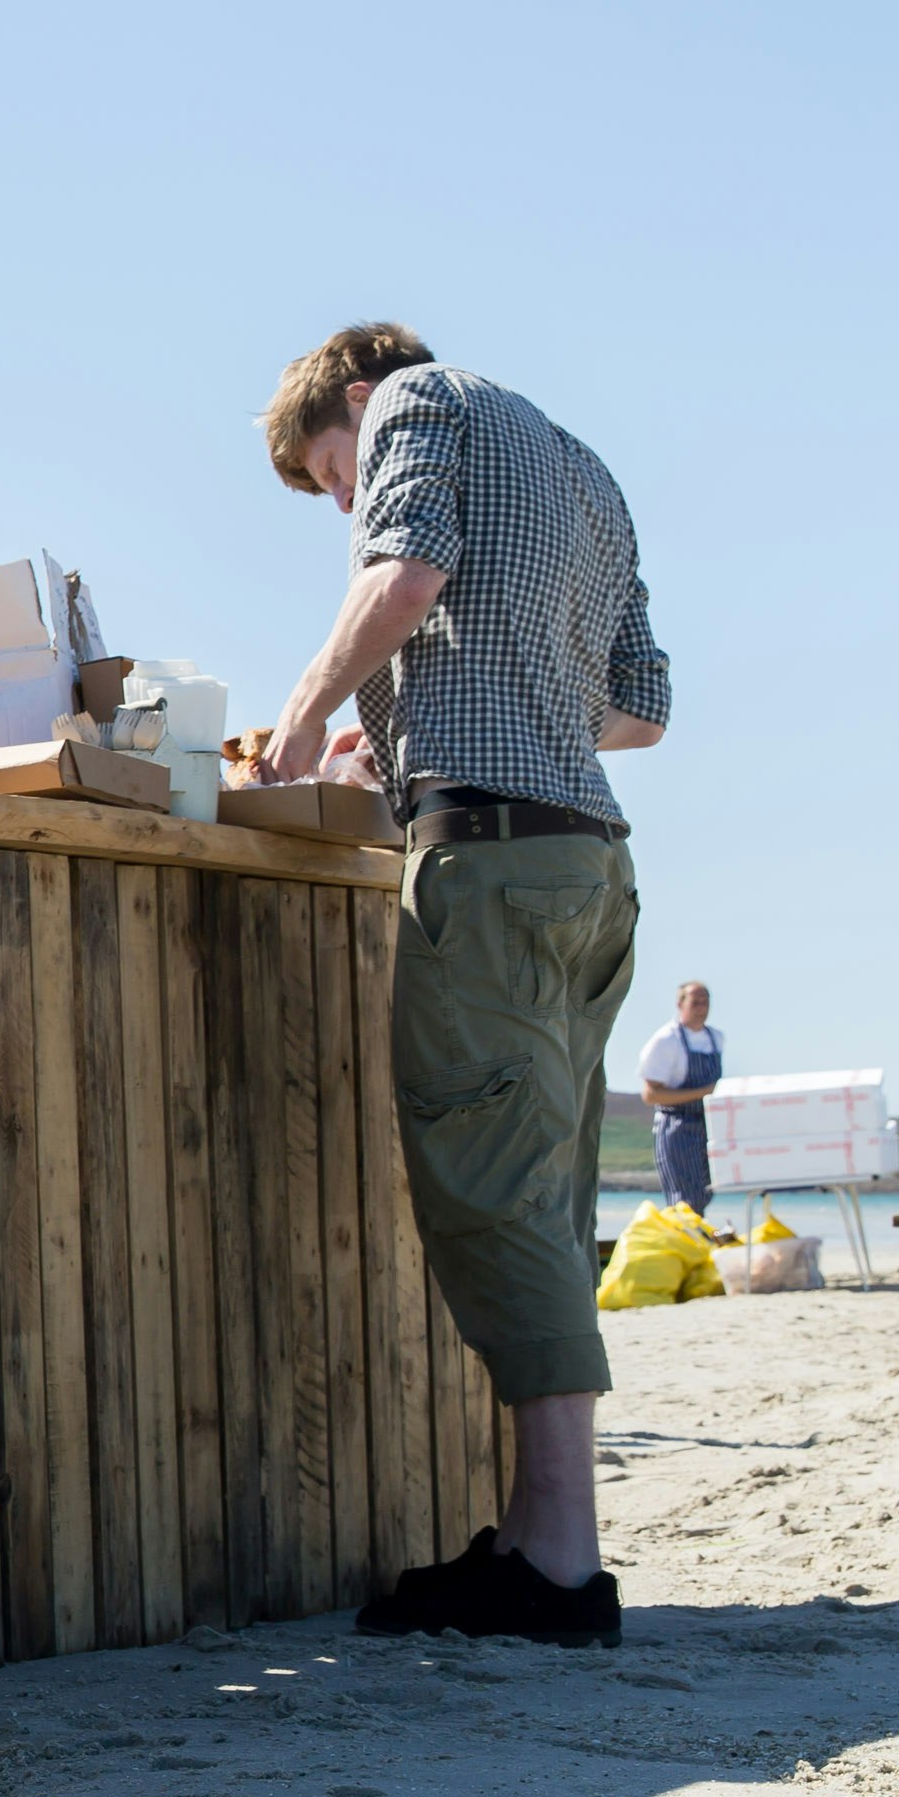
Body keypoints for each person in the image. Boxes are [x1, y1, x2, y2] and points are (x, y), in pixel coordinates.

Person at [251, 323, 670, 1646]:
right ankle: (543, 1537)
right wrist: (466, 712)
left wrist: (313, 709)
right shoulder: (580, 466)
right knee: (541, 1193)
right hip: (589, 865)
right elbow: (640, 707)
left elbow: (410, 566)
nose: (345, 506)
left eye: (333, 478)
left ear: (359, 406)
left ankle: (557, 1563)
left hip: (488, 866)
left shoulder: (417, 404)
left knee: (488, 1192)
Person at [637, 979, 724, 1216]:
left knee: (704, 1193)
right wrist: (704, 1092)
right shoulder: (666, 1040)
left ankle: (697, 1244)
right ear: (680, 1004)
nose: (701, 1008)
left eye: (705, 1002)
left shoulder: (716, 1039)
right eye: (695, 1002)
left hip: (707, 1127)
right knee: (685, 1199)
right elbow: (651, 1094)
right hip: (677, 1127)